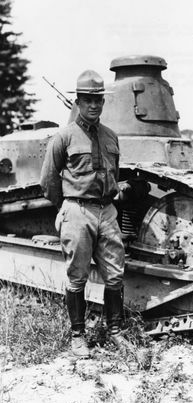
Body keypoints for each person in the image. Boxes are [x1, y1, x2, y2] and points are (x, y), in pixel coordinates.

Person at [40, 70, 125, 359]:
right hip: (77, 210)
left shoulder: (111, 137)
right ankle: (78, 336)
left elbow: (114, 175)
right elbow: (49, 181)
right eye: (88, 100)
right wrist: (67, 210)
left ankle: (114, 330)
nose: (93, 105)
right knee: (77, 277)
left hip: (107, 211)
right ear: (78, 101)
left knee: (115, 274)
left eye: (98, 100)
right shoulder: (63, 137)